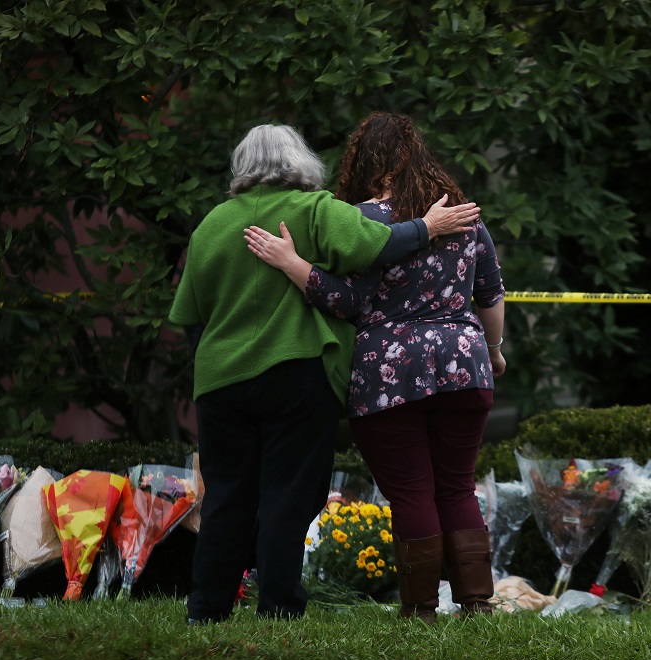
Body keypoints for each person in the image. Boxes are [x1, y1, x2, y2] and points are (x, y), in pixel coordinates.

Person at [168, 123, 481, 624]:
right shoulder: (313, 210)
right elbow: (379, 244)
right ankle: (277, 608)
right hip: (297, 377)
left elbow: (188, 317)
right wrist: (430, 227)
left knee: (226, 496)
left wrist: (217, 361)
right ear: (300, 163)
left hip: (221, 383)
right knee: (289, 496)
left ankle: (206, 609)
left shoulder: (210, 226)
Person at [243, 112, 506, 622]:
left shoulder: (359, 221)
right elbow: (491, 295)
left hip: (390, 374)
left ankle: (422, 610)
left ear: (361, 164)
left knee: (410, 489)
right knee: (456, 484)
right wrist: (493, 351)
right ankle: (477, 603)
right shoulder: (464, 216)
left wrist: (293, 264)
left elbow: (345, 302)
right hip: (464, 363)